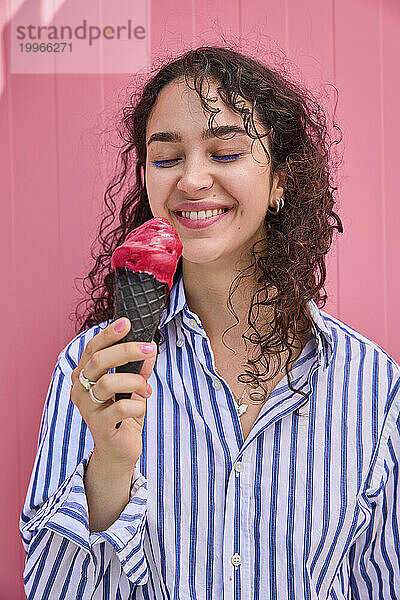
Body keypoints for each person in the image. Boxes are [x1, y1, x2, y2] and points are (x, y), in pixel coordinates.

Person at [20, 46, 400, 599]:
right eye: (166, 158)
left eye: (225, 153)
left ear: (279, 181)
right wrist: (108, 471)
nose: (192, 180)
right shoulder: (94, 373)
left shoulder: (372, 385)